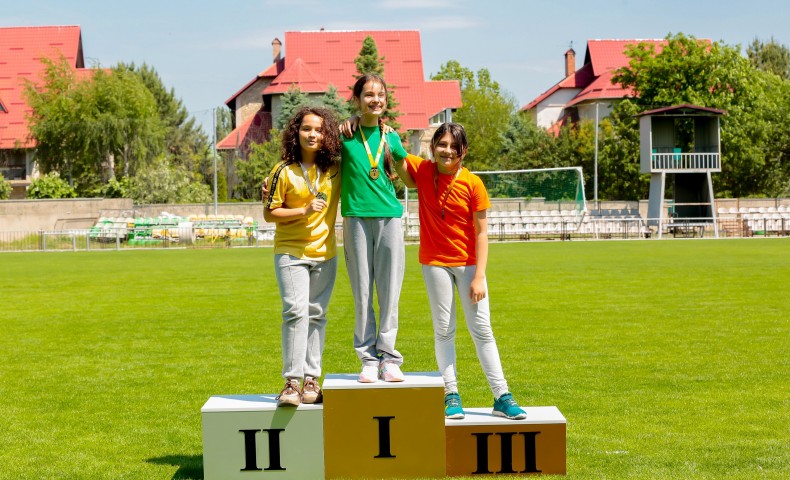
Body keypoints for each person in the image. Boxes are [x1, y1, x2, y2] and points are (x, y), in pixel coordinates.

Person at [398, 122, 527, 420]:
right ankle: (450, 394)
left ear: (463, 151)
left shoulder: (473, 183)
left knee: (482, 330)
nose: (447, 151)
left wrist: (480, 276)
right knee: (444, 330)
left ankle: (502, 396)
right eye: (441, 145)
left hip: (469, 265)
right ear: (433, 148)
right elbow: (396, 152)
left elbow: (482, 233)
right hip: (434, 263)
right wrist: (383, 126)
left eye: (453, 147)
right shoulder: (424, 171)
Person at [263, 105, 342, 407]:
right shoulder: (283, 170)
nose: (313, 134)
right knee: (295, 312)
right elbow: (270, 214)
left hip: (326, 254)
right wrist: (303, 210)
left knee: (317, 315)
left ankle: (312, 380)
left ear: (327, 135)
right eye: (307, 128)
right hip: (291, 253)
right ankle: (291, 383)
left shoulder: (335, 168)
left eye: (319, 130)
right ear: (296, 132)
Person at [341, 73, 410, 383]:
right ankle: (368, 358)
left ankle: (389, 357)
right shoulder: (344, 134)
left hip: (389, 217)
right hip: (355, 217)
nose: (376, 100)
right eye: (368, 94)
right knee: (362, 291)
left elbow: (410, 178)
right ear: (357, 100)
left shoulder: (391, 137)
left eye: (380, 95)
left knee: (390, 291)